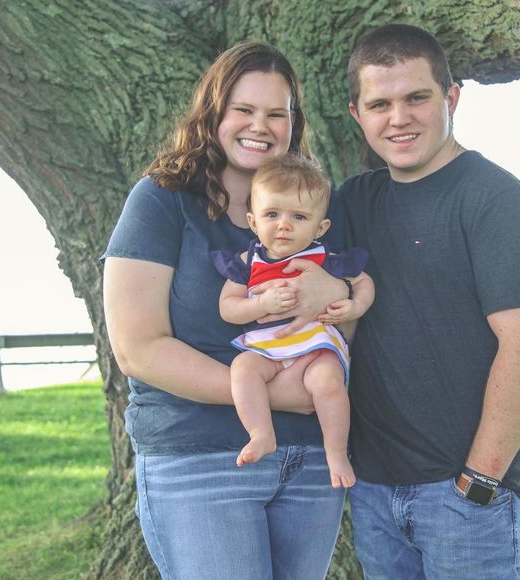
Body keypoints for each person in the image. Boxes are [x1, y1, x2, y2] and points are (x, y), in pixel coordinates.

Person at [102, 42, 353, 580]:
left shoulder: (314, 206)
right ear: (213, 112)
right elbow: (137, 349)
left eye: (276, 113)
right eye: (243, 109)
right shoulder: (162, 200)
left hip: (310, 460)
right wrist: (271, 394)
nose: (259, 126)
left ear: (294, 123)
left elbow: (347, 316)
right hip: (199, 455)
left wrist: (344, 292)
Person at [337, 23, 520, 579]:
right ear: (357, 115)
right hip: (373, 493)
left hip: (465, 500)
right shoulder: (353, 203)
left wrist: (479, 480)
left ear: (451, 98)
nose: (398, 118)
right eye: (380, 104)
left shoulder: (497, 201)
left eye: (417, 98)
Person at [212, 153, 374, 487]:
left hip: (315, 346)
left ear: (320, 227)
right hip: (267, 348)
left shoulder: (323, 257)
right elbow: (228, 307)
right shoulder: (249, 261)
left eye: (298, 216)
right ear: (253, 221)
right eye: (272, 214)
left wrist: (355, 305)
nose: (283, 225)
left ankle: (336, 452)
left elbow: (364, 281)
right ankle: (261, 433)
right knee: (243, 369)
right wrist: (261, 305)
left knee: (328, 384)